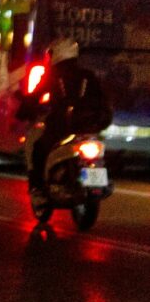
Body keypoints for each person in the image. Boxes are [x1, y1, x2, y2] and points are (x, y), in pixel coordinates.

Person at [26, 38, 112, 190]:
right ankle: (94, 182)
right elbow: (102, 97)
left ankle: (38, 187)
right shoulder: (87, 75)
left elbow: (34, 97)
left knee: (39, 148)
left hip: (62, 126)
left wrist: (23, 111)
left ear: (58, 53)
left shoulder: (53, 76)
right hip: (88, 126)